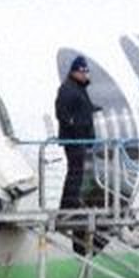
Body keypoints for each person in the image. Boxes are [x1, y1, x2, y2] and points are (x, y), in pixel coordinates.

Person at [54, 56, 100, 231]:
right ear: (75, 71)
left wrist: (91, 109)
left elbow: (80, 106)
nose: (86, 74)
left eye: (87, 71)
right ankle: (68, 205)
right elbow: (62, 111)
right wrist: (74, 124)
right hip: (74, 138)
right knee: (75, 171)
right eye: (83, 71)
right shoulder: (68, 89)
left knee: (77, 171)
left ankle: (72, 202)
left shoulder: (78, 88)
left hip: (80, 138)